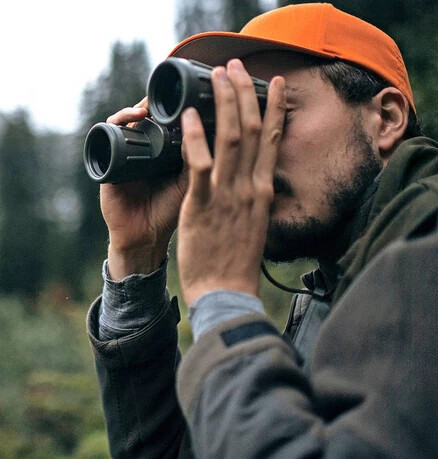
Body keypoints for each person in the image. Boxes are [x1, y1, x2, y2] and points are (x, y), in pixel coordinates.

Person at [87, 3, 438, 458]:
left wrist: (223, 300)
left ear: (386, 118)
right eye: (233, 120)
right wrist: (137, 256)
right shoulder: (334, 286)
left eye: (275, 112)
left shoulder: (426, 250)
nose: (251, 146)